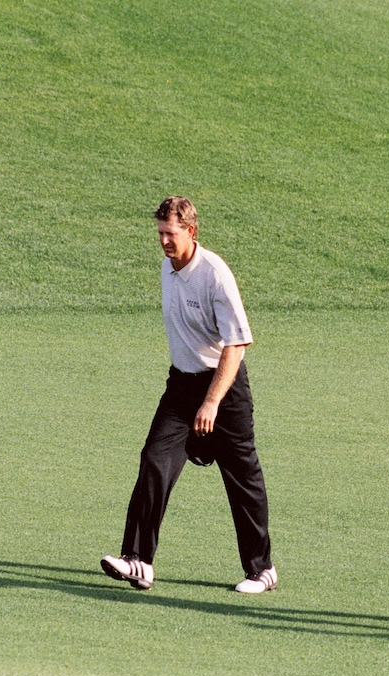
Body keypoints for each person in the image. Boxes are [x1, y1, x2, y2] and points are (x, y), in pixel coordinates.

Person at [101, 196, 277, 594]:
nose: (163, 240)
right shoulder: (167, 268)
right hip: (181, 386)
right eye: (160, 232)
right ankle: (138, 560)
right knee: (154, 460)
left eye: (171, 233)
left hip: (224, 389)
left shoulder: (214, 274)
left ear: (191, 231)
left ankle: (262, 570)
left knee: (242, 477)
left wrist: (212, 402)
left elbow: (237, 344)